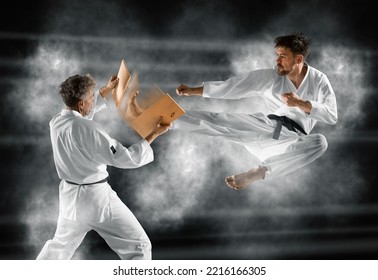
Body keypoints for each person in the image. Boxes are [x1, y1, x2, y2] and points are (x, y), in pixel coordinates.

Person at [174, 32, 337, 190]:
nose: (277, 60)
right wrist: (194, 90)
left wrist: (300, 102)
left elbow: (331, 115)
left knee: (320, 142)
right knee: (219, 120)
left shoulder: (319, 80)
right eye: (277, 55)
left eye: (283, 56)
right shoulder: (272, 76)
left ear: (299, 58)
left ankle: (259, 172)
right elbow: (235, 86)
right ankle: (169, 116)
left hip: (289, 143)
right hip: (268, 127)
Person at [36, 73, 171, 260]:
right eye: (92, 97)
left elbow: (80, 120)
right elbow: (126, 158)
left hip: (70, 198)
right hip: (96, 199)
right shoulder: (91, 130)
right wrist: (155, 133)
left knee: (58, 249)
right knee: (139, 246)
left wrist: (105, 91)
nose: (94, 99)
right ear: (81, 103)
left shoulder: (56, 122)